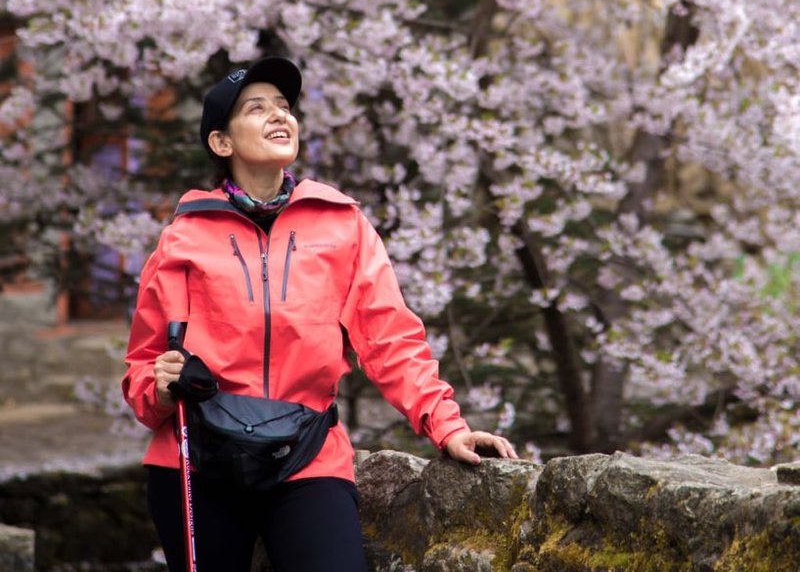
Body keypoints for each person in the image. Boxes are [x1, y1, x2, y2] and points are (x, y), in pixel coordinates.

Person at [122, 56, 517, 572]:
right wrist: (159, 384)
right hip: (197, 460)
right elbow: (143, 366)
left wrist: (447, 426)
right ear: (222, 142)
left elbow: (390, 337)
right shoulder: (183, 237)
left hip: (309, 455)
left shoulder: (342, 224)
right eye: (257, 108)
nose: (279, 116)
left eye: (285, 107)